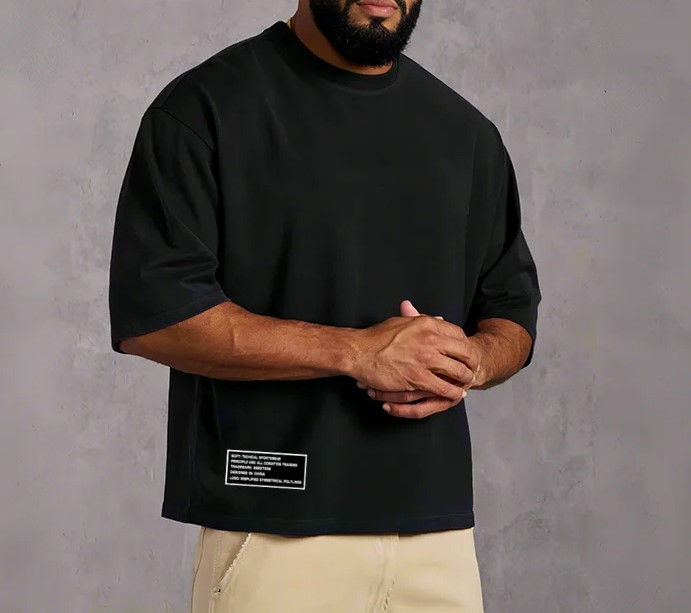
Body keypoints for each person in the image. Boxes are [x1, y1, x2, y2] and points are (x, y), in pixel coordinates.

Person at [108, 1, 541, 611]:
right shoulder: (206, 107)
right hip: (276, 526)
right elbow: (157, 317)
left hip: (437, 539)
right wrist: (358, 352)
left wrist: (468, 361)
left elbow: (511, 311)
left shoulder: (465, 133)